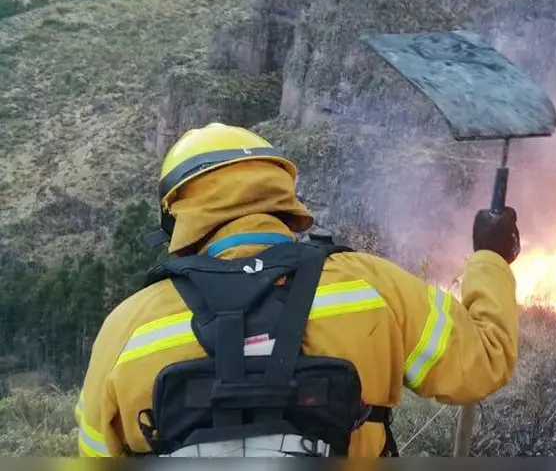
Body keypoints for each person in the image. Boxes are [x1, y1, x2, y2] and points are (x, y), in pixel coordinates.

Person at [75, 122, 521, 458]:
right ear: (283, 197)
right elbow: (483, 362)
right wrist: (491, 258)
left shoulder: (125, 330)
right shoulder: (369, 287)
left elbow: (96, 452)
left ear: (176, 217)